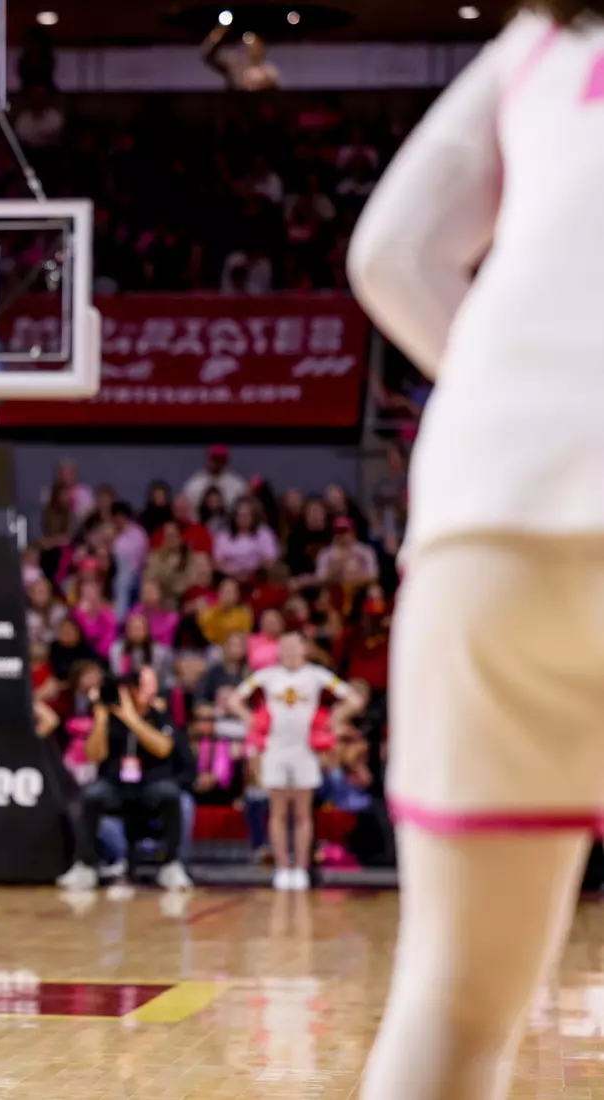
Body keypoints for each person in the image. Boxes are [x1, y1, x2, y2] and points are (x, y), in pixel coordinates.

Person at [347, 3, 604, 1096]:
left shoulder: (544, 37)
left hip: (489, 504)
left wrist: (530, 406)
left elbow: (391, 255)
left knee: (450, 1006)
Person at [225, 633, 361, 891]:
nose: (289, 652)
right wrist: (251, 720)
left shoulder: (316, 674)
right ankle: (282, 868)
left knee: (301, 812)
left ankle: (300, 868)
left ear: (304, 649)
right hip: (275, 749)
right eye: (284, 647)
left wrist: (334, 720)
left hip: (305, 751)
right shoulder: (266, 675)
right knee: (278, 812)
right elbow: (234, 699)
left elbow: (353, 698)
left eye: (294, 647)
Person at [56, 668, 195, 892]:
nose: (151, 692)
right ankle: (86, 866)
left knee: (171, 794)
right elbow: (94, 755)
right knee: (91, 795)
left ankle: (170, 865)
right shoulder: (107, 715)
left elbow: (163, 748)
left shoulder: (159, 714)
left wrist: (131, 718)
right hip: (115, 787)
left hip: (150, 786)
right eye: (145, 686)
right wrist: (101, 718)